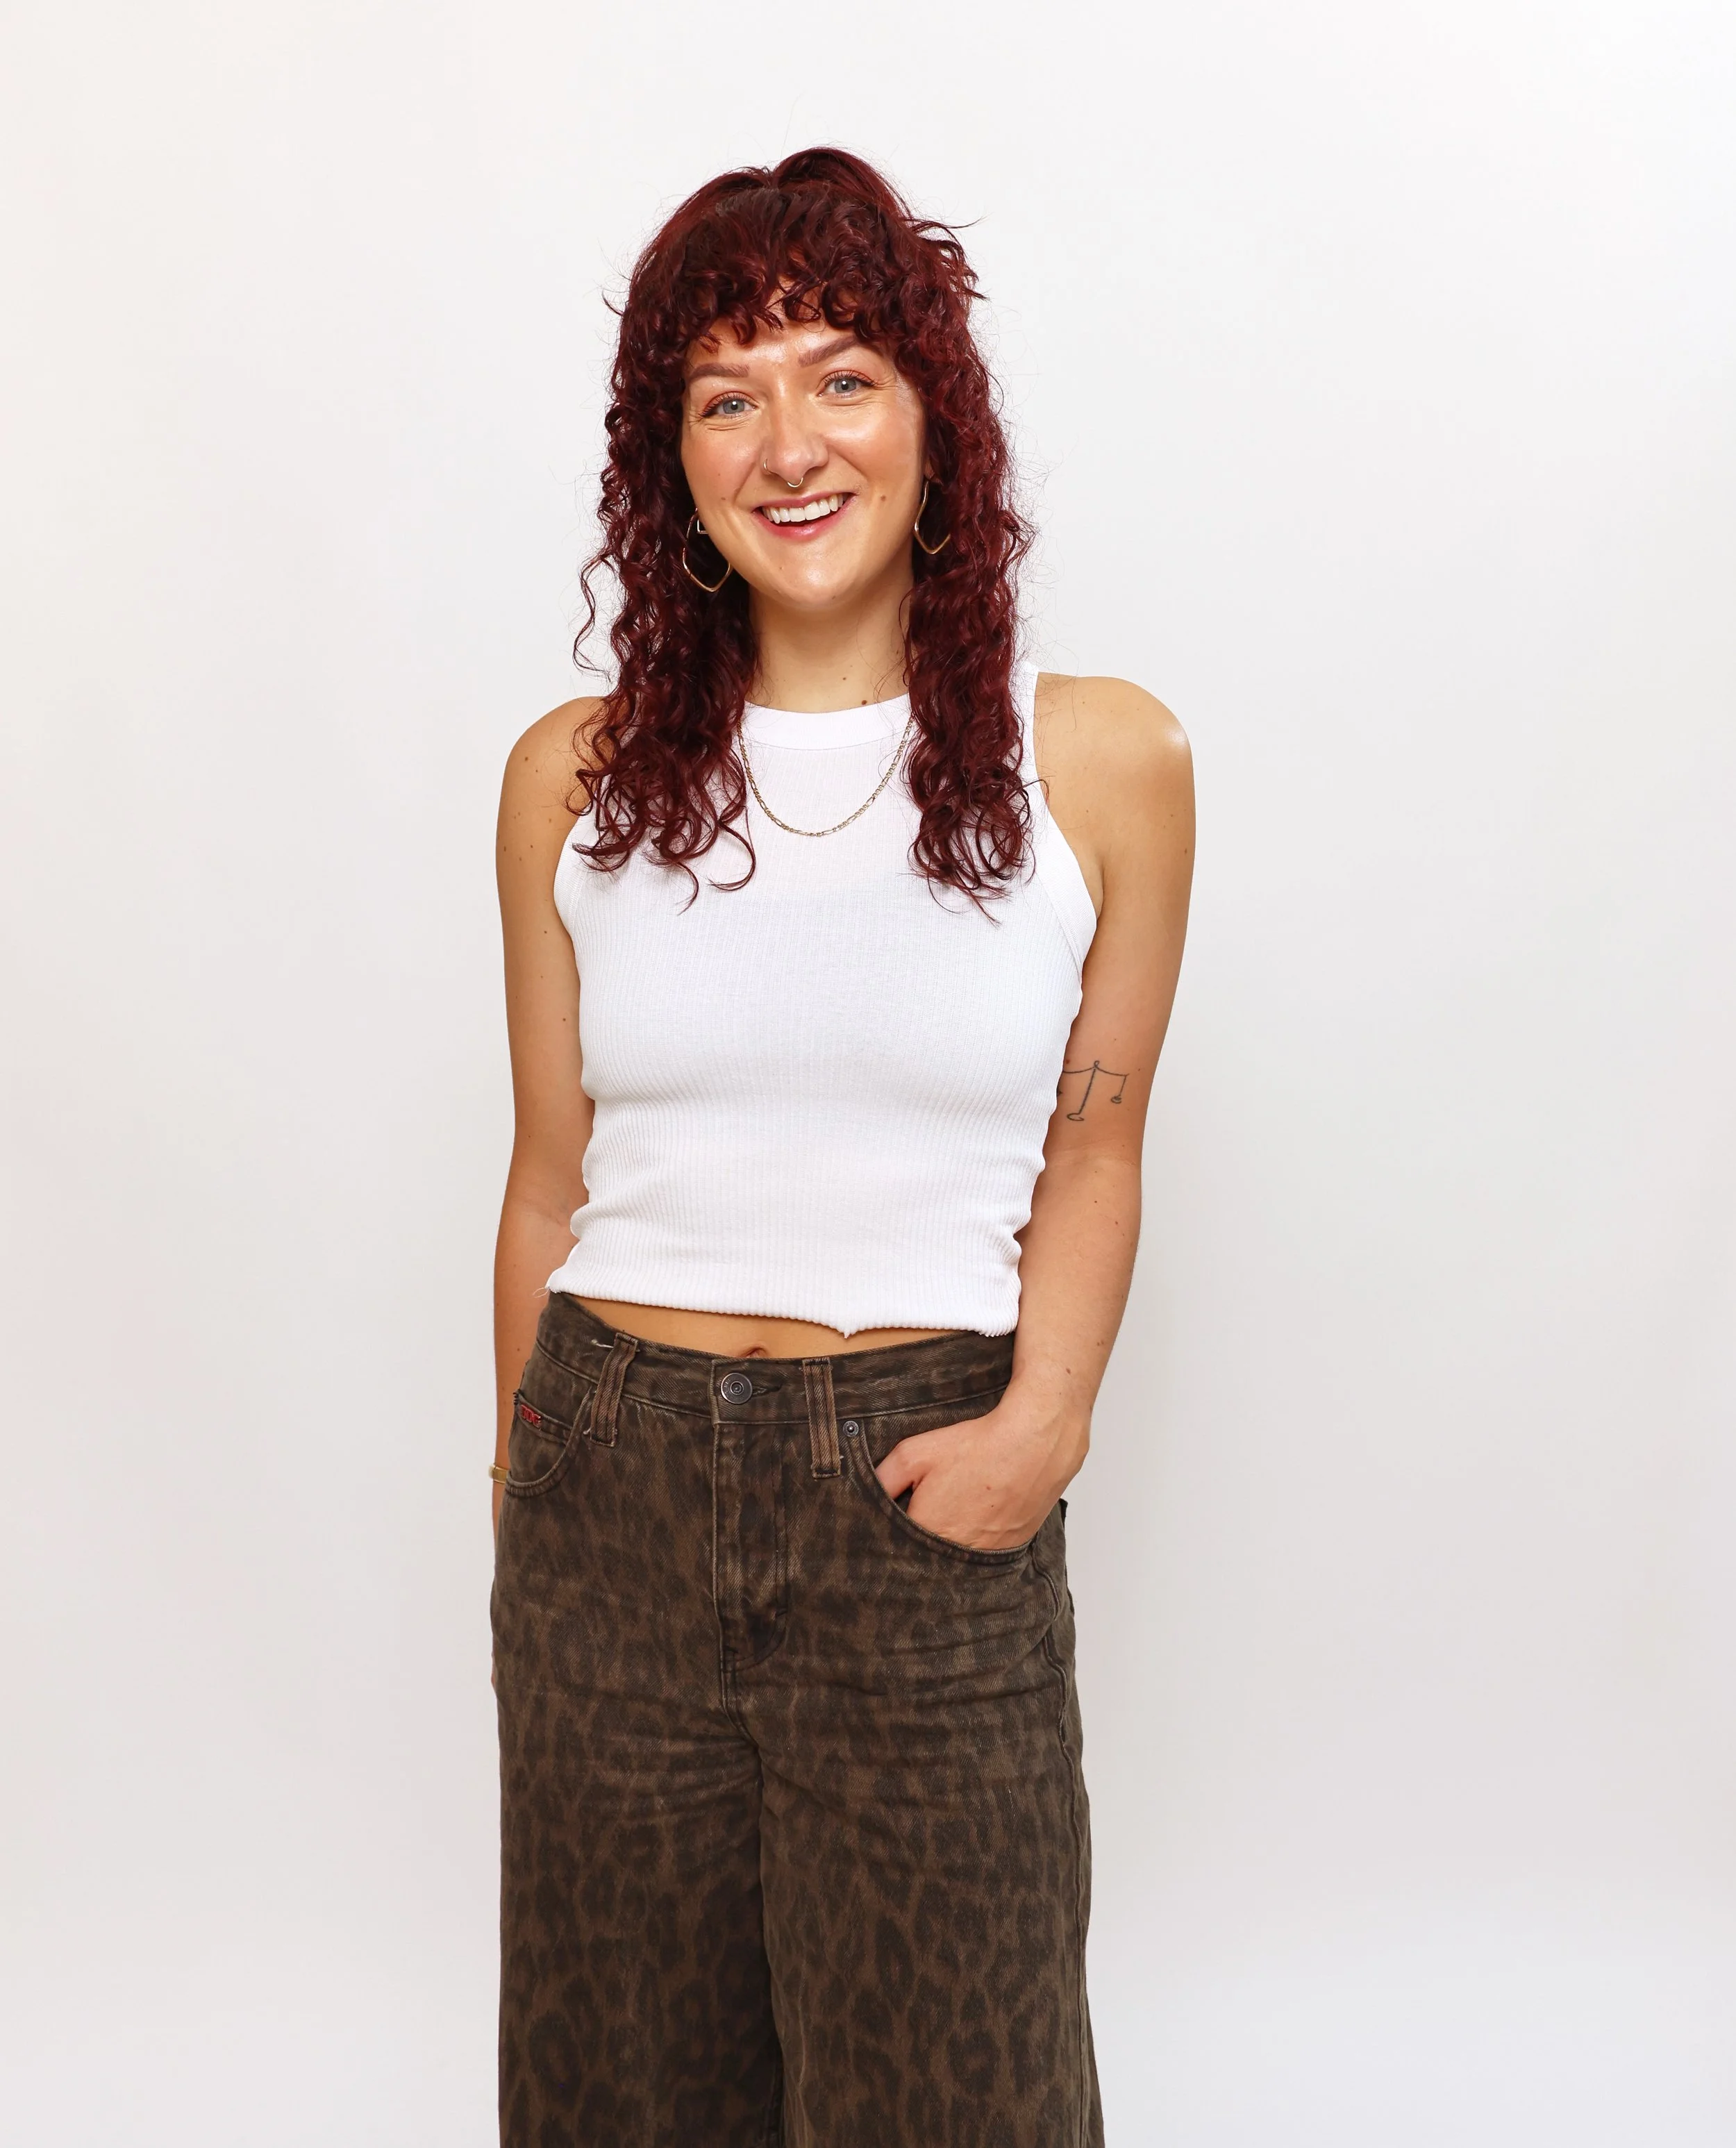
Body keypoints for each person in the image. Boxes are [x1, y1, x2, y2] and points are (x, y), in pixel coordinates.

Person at [490, 147, 1193, 2148]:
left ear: (930, 418)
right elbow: (546, 1178)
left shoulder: (1100, 761)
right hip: (608, 1489)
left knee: (962, 2097)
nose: (788, 445)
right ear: (673, 463)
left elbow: (1098, 1145)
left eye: (841, 378)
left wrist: (1043, 1423)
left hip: (918, 1489)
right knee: (620, 2100)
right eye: (726, 396)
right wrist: (520, 1493)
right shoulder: (570, 779)